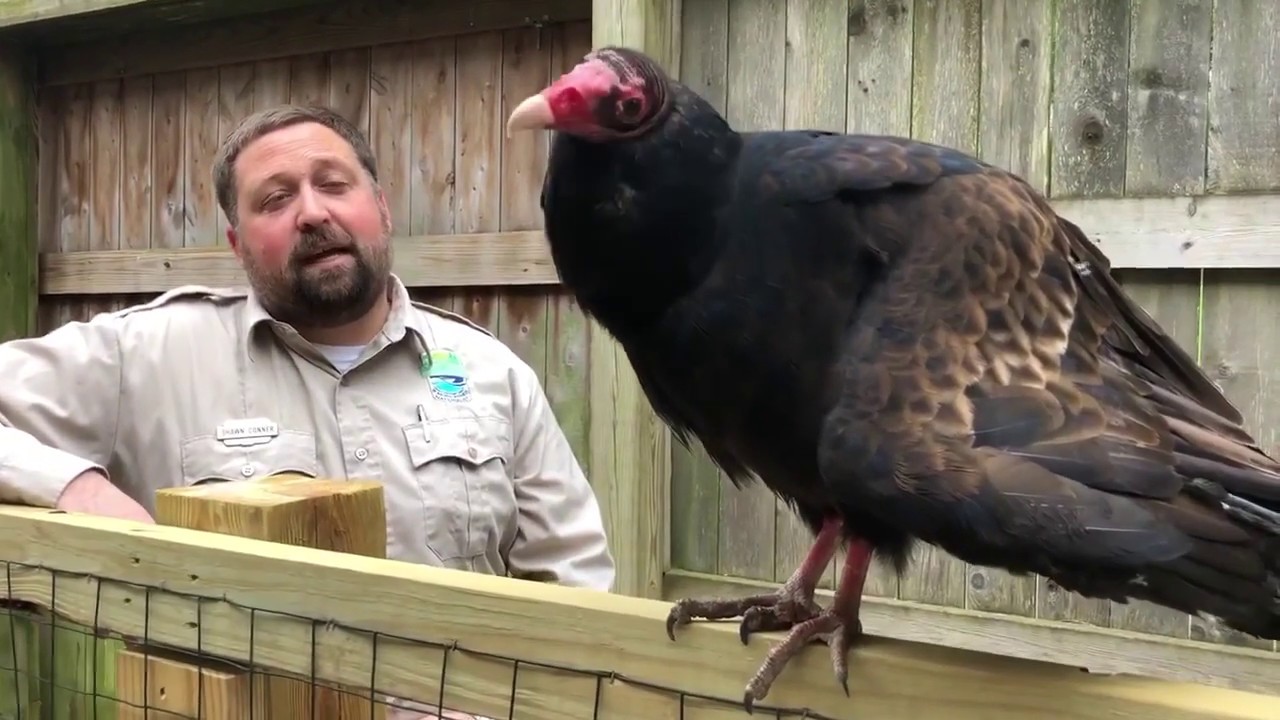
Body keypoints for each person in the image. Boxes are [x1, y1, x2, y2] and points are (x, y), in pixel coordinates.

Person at [0, 104, 615, 719]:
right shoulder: (146, 356)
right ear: (237, 244)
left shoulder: (491, 373)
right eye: (274, 200)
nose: (313, 212)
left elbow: (574, 585)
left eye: (333, 184)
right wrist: (76, 488)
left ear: (382, 206)